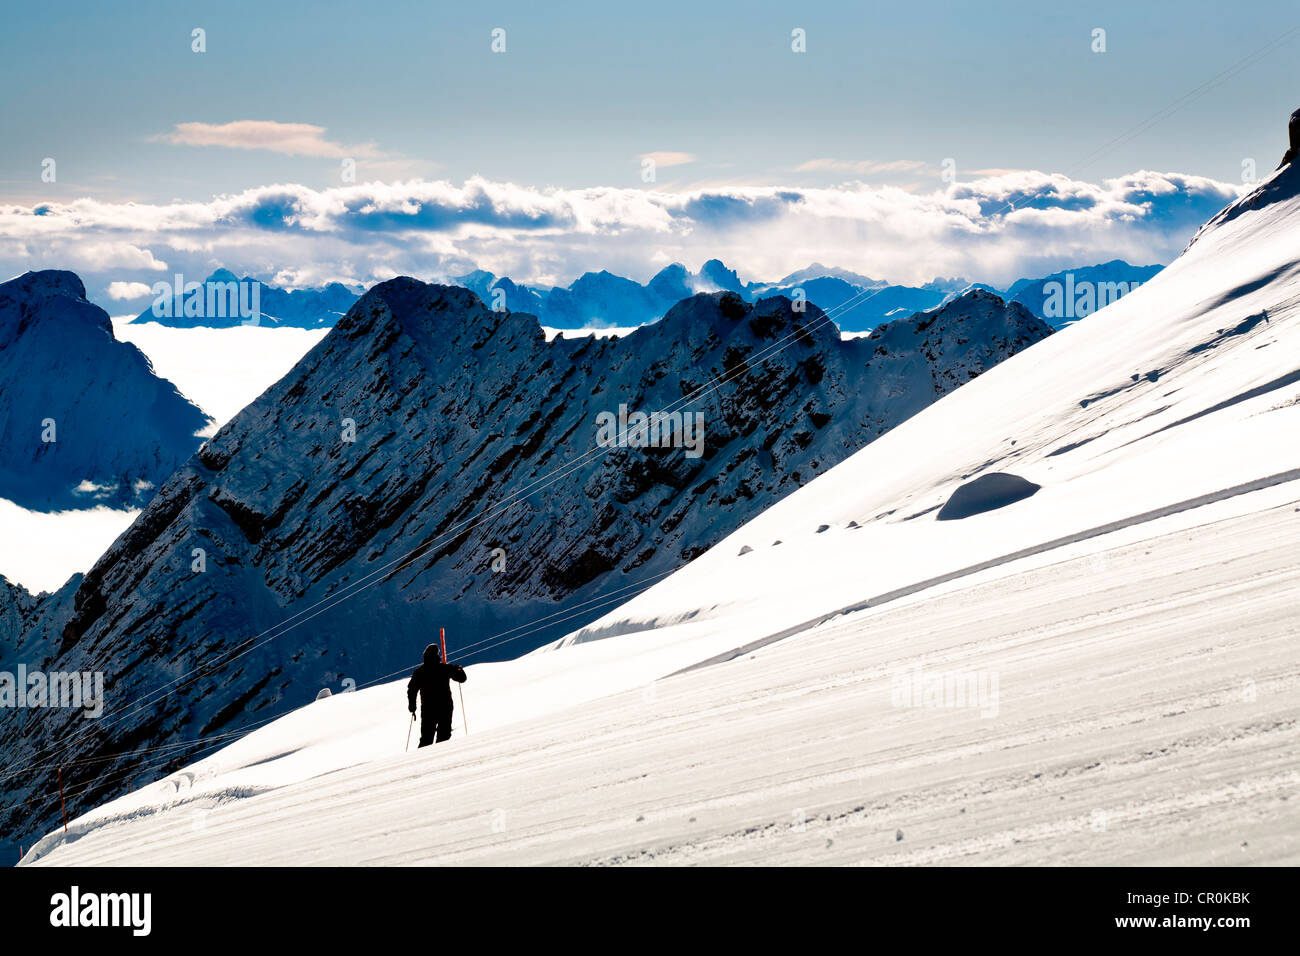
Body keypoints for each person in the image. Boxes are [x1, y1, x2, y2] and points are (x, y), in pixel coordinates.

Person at [407, 643, 467, 747]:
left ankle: (422, 760)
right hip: (445, 706)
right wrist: (459, 670)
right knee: (444, 735)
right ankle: (440, 760)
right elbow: (462, 679)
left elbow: (411, 690)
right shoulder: (445, 668)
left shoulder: (419, 672)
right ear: (436, 654)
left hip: (428, 709)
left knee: (426, 739)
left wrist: (412, 706)